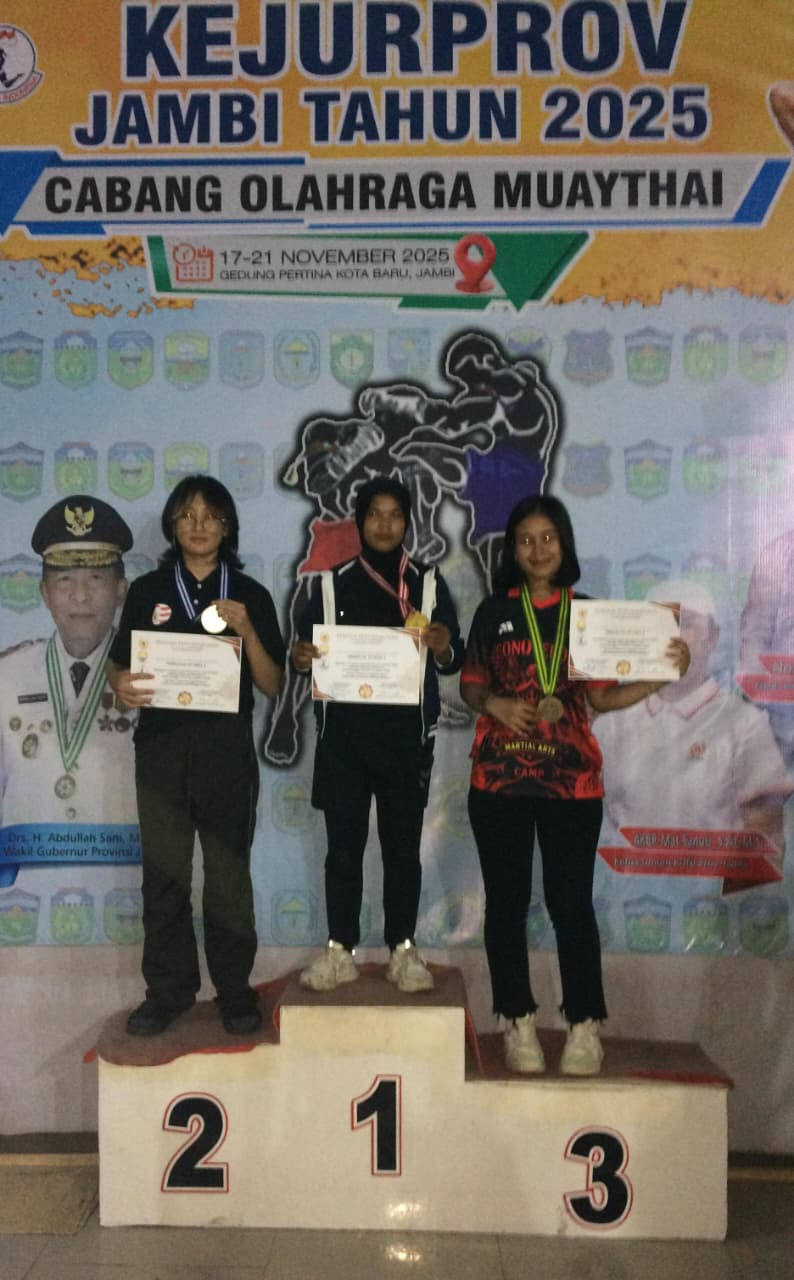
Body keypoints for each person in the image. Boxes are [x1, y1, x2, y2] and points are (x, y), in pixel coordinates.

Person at [460, 495, 689, 1076]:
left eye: (548, 538)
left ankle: (584, 1024)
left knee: (571, 906)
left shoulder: (587, 615)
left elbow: (603, 699)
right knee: (506, 905)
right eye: (526, 540)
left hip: (572, 784)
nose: (538, 550)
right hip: (499, 780)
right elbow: (470, 686)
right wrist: (495, 703)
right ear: (513, 551)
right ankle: (517, 1020)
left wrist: (660, 675)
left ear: (564, 545)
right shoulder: (493, 612)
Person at [107, 476, 285, 1036]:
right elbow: (118, 664)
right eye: (188, 515)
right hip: (161, 750)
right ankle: (168, 992)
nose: (199, 526)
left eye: (211, 516)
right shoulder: (148, 591)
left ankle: (234, 991)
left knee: (228, 878)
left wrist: (246, 628)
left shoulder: (249, 594)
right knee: (164, 876)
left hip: (225, 752)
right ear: (172, 525)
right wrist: (119, 684)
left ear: (227, 526)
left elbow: (273, 683)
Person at [293, 475, 463, 993]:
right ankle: (339, 950)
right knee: (342, 850)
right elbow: (303, 651)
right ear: (360, 522)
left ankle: (403, 950)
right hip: (343, 742)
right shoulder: (329, 584)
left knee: (402, 851)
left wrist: (441, 643)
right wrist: (301, 657)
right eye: (375, 514)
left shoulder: (428, 584)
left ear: (408, 522)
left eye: (395, 515)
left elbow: (453, 657)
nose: (385, 524)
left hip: (405, 741)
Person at [596, 579, 793, 857]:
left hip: (711, 884)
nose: (673, 636)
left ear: (713, 637)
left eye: (687, 623)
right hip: (622, 883)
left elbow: (767, 839)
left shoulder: (745, 724)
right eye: (662, 623)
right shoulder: (609, 724)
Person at [0, 496, 137, 890]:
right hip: (27, 894)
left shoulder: (153, 675)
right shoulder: (7, 675)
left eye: (95, 578)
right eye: (65, 580)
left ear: (121, 589)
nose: (80, 595)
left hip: (129, 886)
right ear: (44, 592)